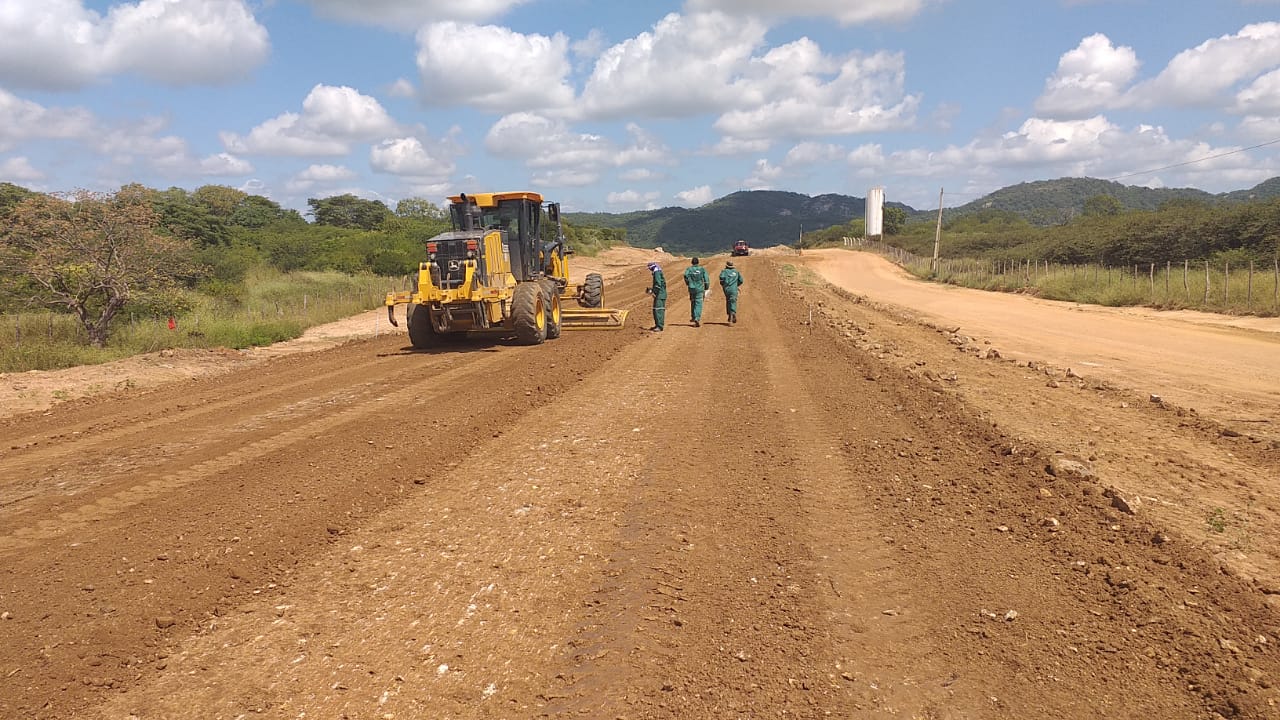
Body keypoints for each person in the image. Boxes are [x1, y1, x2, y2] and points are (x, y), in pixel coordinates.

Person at [682, 257, 710, 327]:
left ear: (692, 262)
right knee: (698, 303)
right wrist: (706, 287)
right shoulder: (702, 269)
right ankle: (697, 318)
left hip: (691, 288)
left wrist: (688, 283)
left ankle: (693, 317)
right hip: (699, 288)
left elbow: (685, 275)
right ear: (698, 262)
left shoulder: (689, 269)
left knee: (693, 302)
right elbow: (706, 279)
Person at [644, 261, 666, 331]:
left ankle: (659, 326)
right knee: (655, 310)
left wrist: (653, 292)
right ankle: (657, 325)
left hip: (660, 294)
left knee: (658, 310)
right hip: (660, 294)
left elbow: (658, 284)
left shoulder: (656, 272)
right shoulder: (657, 272)